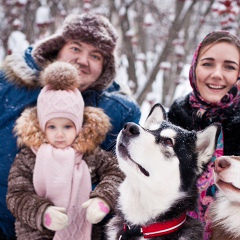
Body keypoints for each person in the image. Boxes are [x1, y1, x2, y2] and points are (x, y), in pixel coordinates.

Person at [0, 13, 140, 239]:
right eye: (75, 48)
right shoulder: (10, 86)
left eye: (95, 56)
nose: (83, 60)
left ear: (105, 67)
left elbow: (121, 176)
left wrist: (103, 200)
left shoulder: (116, 112)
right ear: (57, 49)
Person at [6, 61, 125, 240]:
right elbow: (16, 195)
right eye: (52, 127)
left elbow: (117, 172)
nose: (59, 134)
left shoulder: (90, 154)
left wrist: (103, 199)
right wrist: (42, 212)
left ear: (78, 126)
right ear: (41, 127)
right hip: (37, 235)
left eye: (67, 126)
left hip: (87, 233)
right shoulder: (28, 157)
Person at [168, 30, 240, 240]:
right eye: (208, 64)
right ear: (194, 68)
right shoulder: (174, 118)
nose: (217, 74)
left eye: (229, 66)